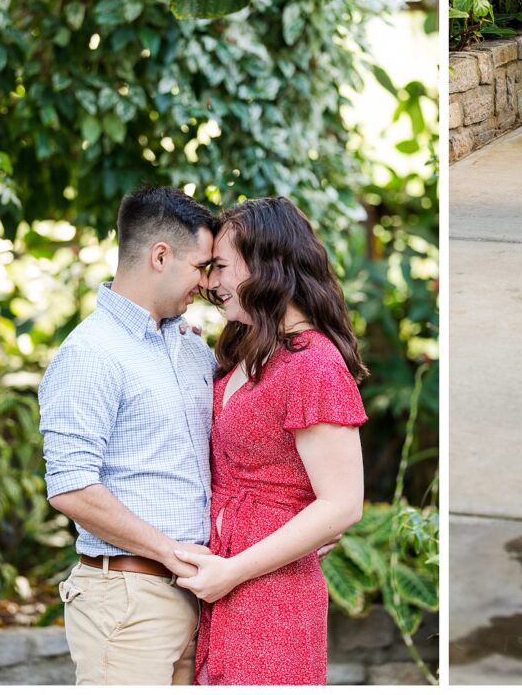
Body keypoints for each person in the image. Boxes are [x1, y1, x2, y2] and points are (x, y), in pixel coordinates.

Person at [175, 197, 367, 685]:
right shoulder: (250, 351)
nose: (211, 283)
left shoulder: (314, 364)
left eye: (220, 267)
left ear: (266, 262)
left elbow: (342, 504)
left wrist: (232, 571)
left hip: (268, 594)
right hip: (221, 583)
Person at [40, 186, 219, 685]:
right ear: (160, 256)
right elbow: (72, 487)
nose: (205, 284)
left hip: (196, 598)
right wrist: (168, 551)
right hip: (127, 600)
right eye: (200, 267)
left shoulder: (190, 348)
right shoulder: (91, 353)